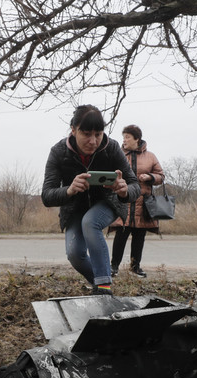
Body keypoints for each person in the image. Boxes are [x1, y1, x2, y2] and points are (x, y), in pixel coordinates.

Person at [41, 105, 141, 295]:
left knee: (91, 222)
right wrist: (69, 190)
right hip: (74, 208)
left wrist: (124, 189)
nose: (93, 141)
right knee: (74, 254)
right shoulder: (58, 152)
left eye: (98, 133)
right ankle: (98, 283)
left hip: (108, 203)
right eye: (86, 134)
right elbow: (47, 195)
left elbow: (135, 185)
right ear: (73, 130)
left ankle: (104, 287)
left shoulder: (111, 148)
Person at [109, 125, 165, 278]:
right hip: (123, 202)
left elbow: (161, 176)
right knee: (120, 236)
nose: (124, 140)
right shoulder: (118, 155)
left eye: (128, 137)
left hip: (143, 204)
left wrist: (150, 177)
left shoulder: (150, 156)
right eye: (124, 136)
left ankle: (135, 267)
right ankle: (113, 267)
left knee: (139, 237)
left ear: (137, 139)